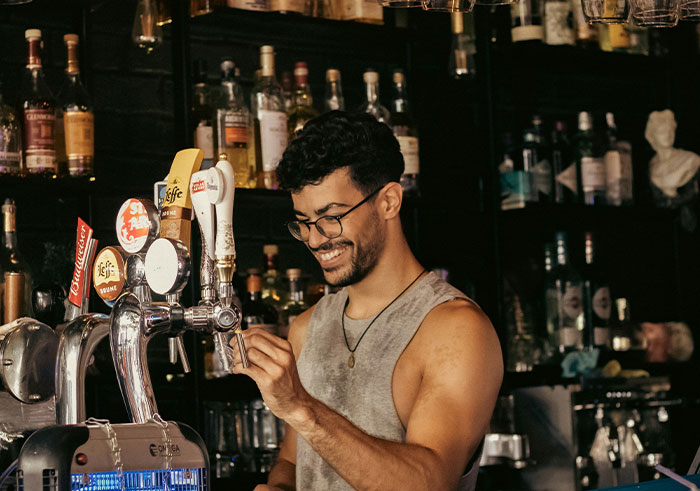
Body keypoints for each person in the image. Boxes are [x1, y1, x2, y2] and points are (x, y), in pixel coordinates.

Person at [232, 111, 503, 490]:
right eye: (303, 222)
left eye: (331, 217)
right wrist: (277, 488)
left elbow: (430, 482)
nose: (314, 239)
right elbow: (295, 460)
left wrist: (300, 406)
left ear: (389, 201)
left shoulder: (454, 329)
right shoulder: (307, 327)